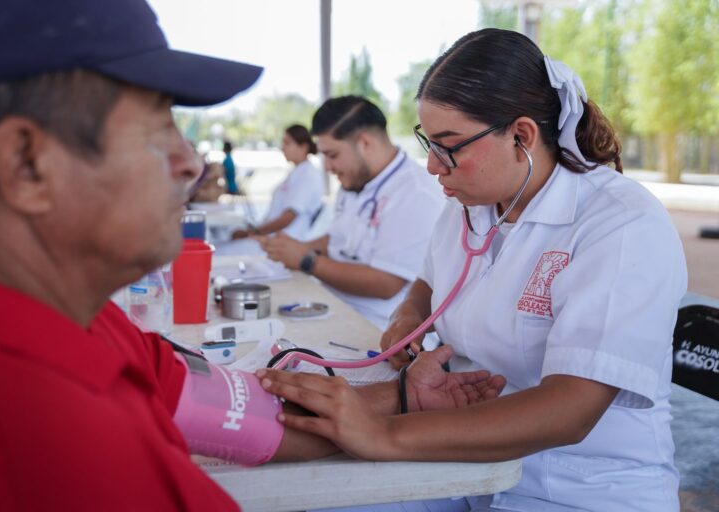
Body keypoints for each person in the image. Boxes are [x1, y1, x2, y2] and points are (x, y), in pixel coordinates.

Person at [0, 3, 507, 509]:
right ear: (26, 164)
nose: (191, 164)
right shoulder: (26, 441)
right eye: (155, 124)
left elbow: (246, 415)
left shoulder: (95, 330)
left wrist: (403, 397)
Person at [257, 28, 687, 511]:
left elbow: (571, 410)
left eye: (449, 144)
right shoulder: (474, 207)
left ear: (521, 136)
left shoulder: (621, 224)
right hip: (462, 463)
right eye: (428, 142)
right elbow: (427, 281)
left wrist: (384, 432)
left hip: (576, 484)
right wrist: (409, 318)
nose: (432, 166)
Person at [258, 96, 445, 330]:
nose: (327, 167)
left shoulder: (416, 194)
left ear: (365, 143)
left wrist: (306, 260)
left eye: (332, 155)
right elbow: (336, 239)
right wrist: (295, 247)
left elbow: (386, 283)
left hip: (375, 327)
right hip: (333, 307)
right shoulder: (356, 180)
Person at [232, 124, 324, 240]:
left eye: (287, 143)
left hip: (282, 243)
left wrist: (252, 233)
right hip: (272, 238)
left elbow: (287, 218)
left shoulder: (308, 175)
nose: (283, 148)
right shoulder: (297, 172)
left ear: (303, 147)